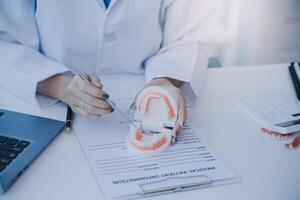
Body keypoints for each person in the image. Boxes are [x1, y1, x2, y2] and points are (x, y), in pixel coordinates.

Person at [0, 0, 216, 143]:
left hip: (146, 95)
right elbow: (5, 42)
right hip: (53, 111)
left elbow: (190, 36)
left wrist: (166, 79)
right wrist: (58, 86)